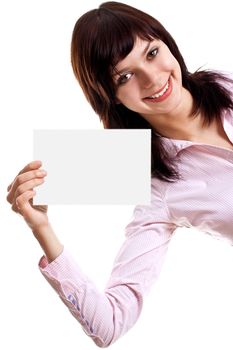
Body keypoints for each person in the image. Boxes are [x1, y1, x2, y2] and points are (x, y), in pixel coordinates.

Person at [6, 1, 233, 347]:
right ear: (109, 97)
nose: (153, 78)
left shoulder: (228, 82)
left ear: (168, 43)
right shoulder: (160, 192)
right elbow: (108, 325)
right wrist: (42, 228)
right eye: (124, 77)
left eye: (153, 52)